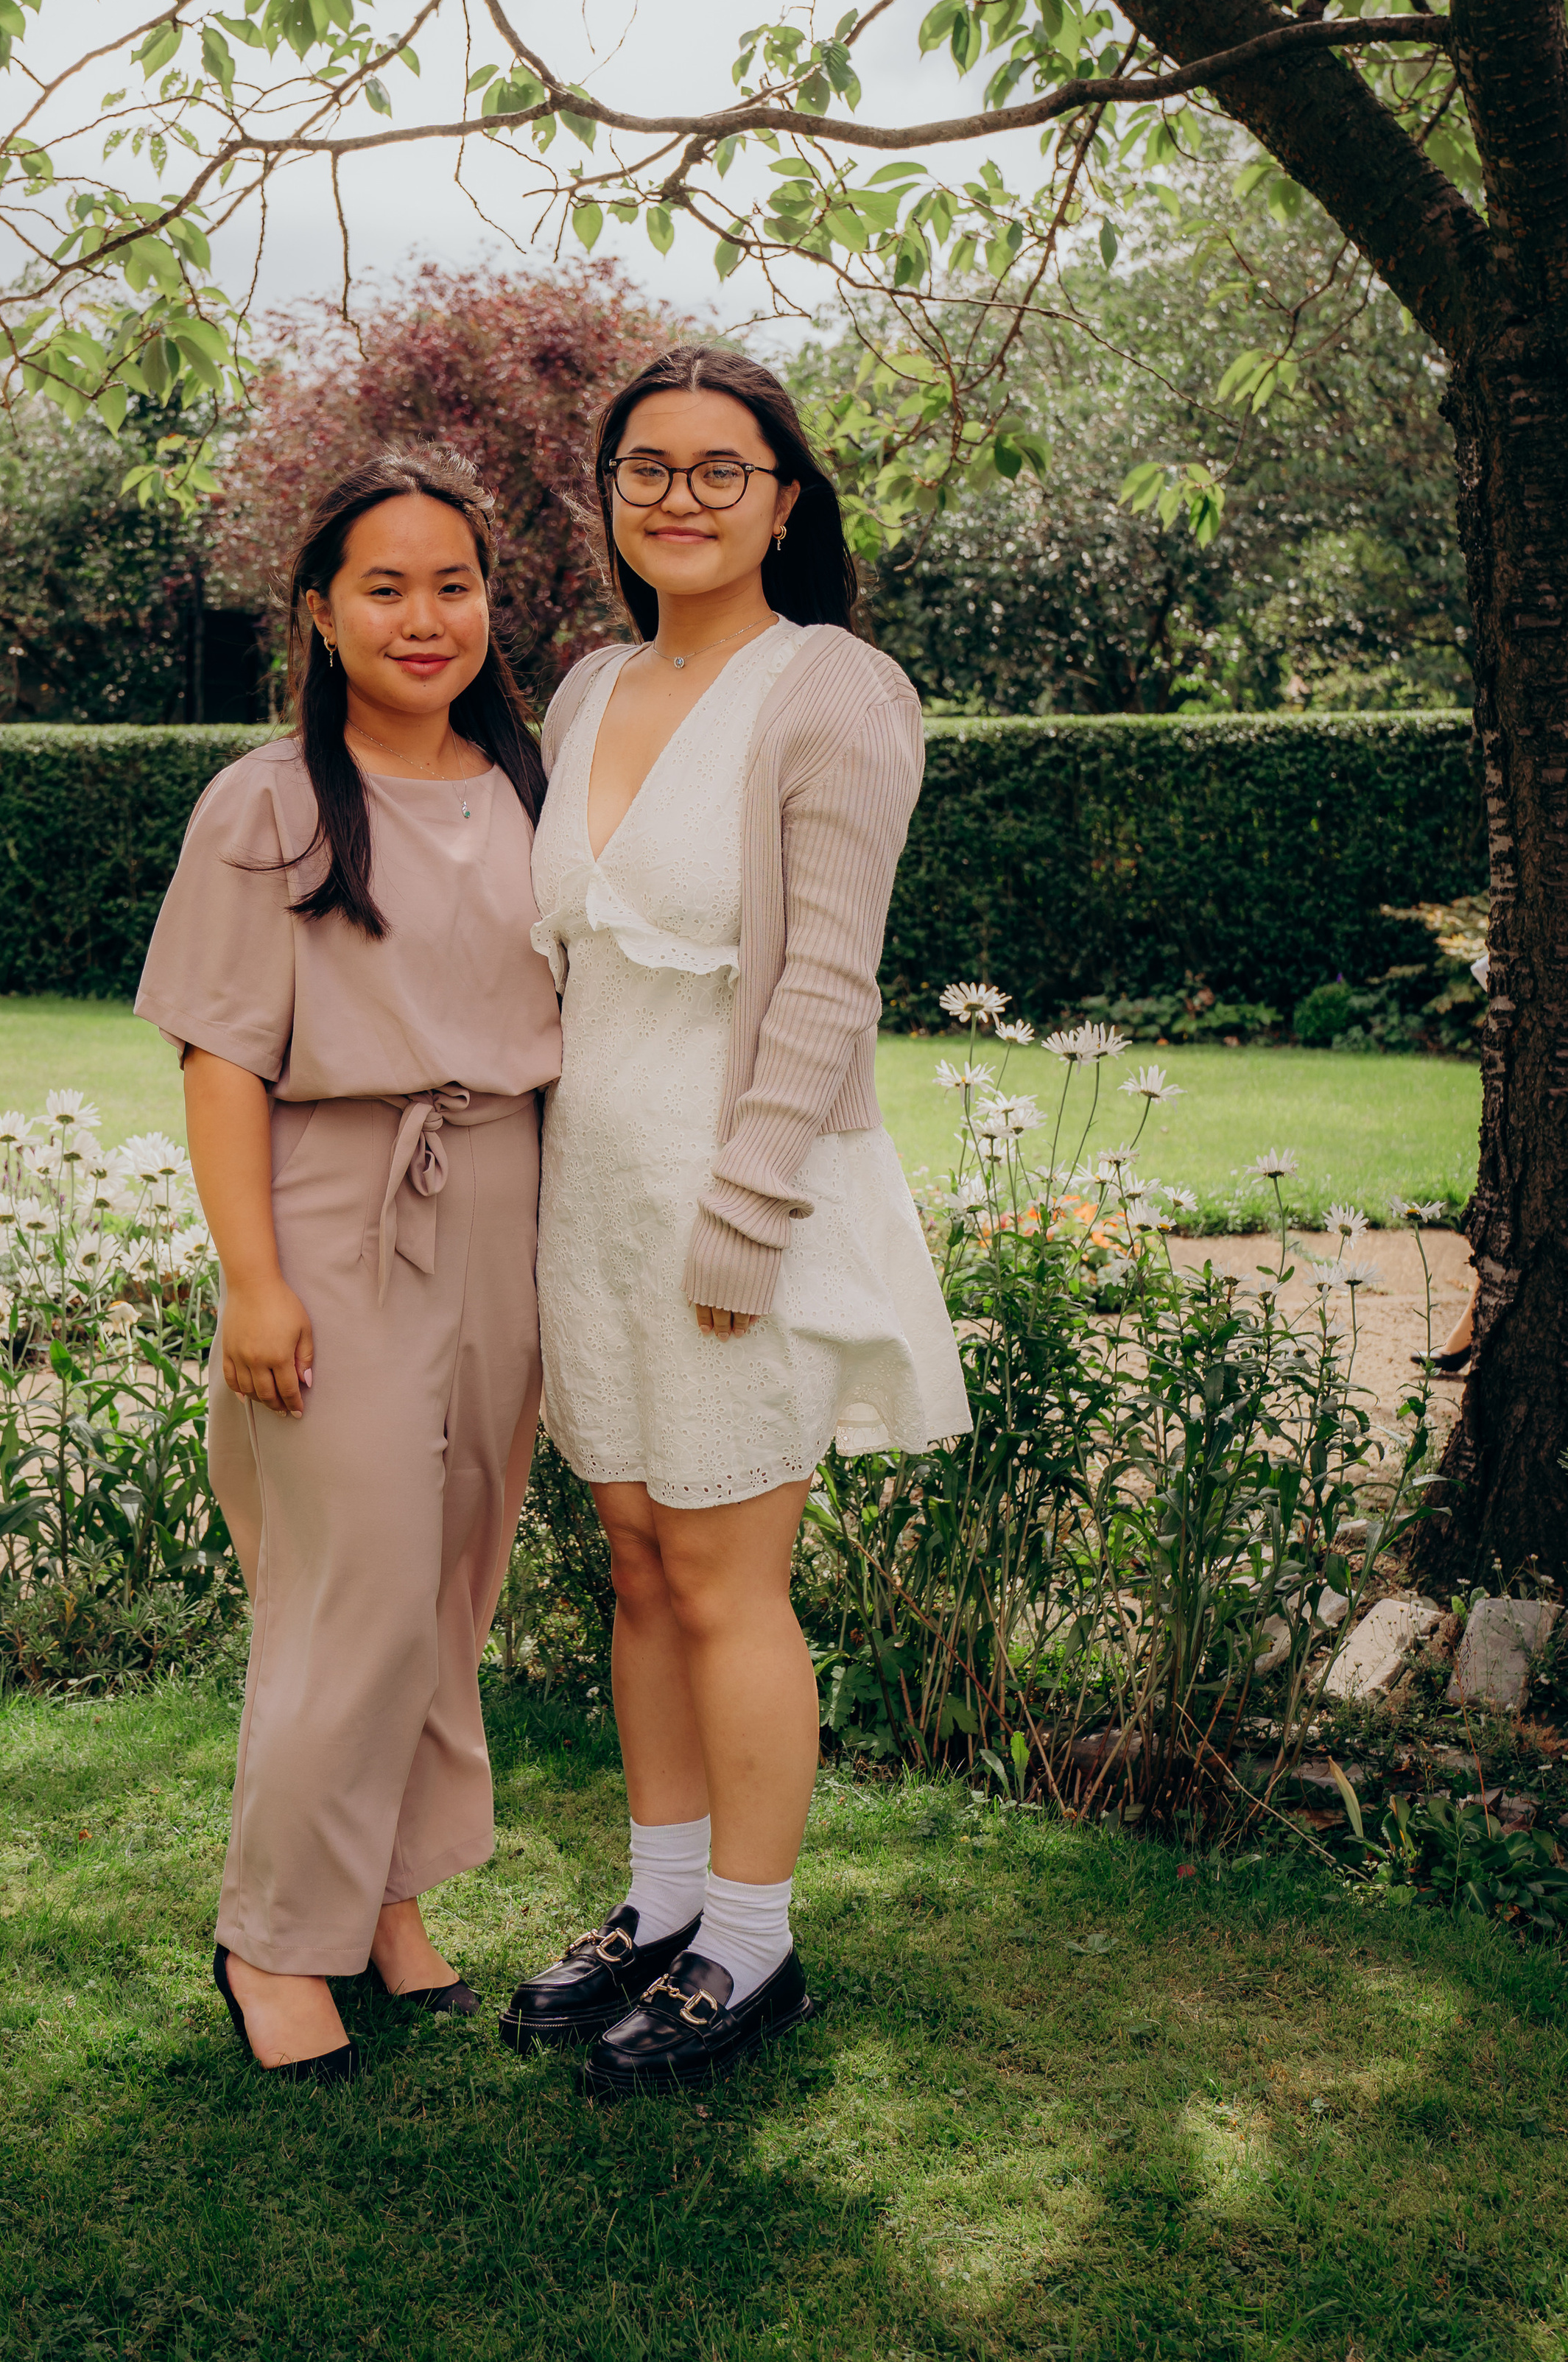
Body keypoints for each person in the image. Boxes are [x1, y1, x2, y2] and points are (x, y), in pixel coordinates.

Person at [504, 344, 969, 2098]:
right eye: (645, 468)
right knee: (633, 1557)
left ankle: (751, 1945)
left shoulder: (830, 689)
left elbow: (826, 987)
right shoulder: (580, 691)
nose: (677, 497)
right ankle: (661, 1900)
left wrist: (746, 1209)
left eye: (719, 467)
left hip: (740, 1194)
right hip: (592, 1193)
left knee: (723, 1574)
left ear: (785, 497)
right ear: (608, 494)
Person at [136, 446, 560, 2079]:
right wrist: (255, 1279)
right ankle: (271, 1937)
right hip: (334, 1200)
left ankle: (386, 1895)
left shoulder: (535, 787)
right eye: (383, 585)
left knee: (450, 1580)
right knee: (355, 1585)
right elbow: (221, 1057)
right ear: (319, 610)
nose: (423, 614)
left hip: (506, 1197)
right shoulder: (266, 801)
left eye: (451, 581)